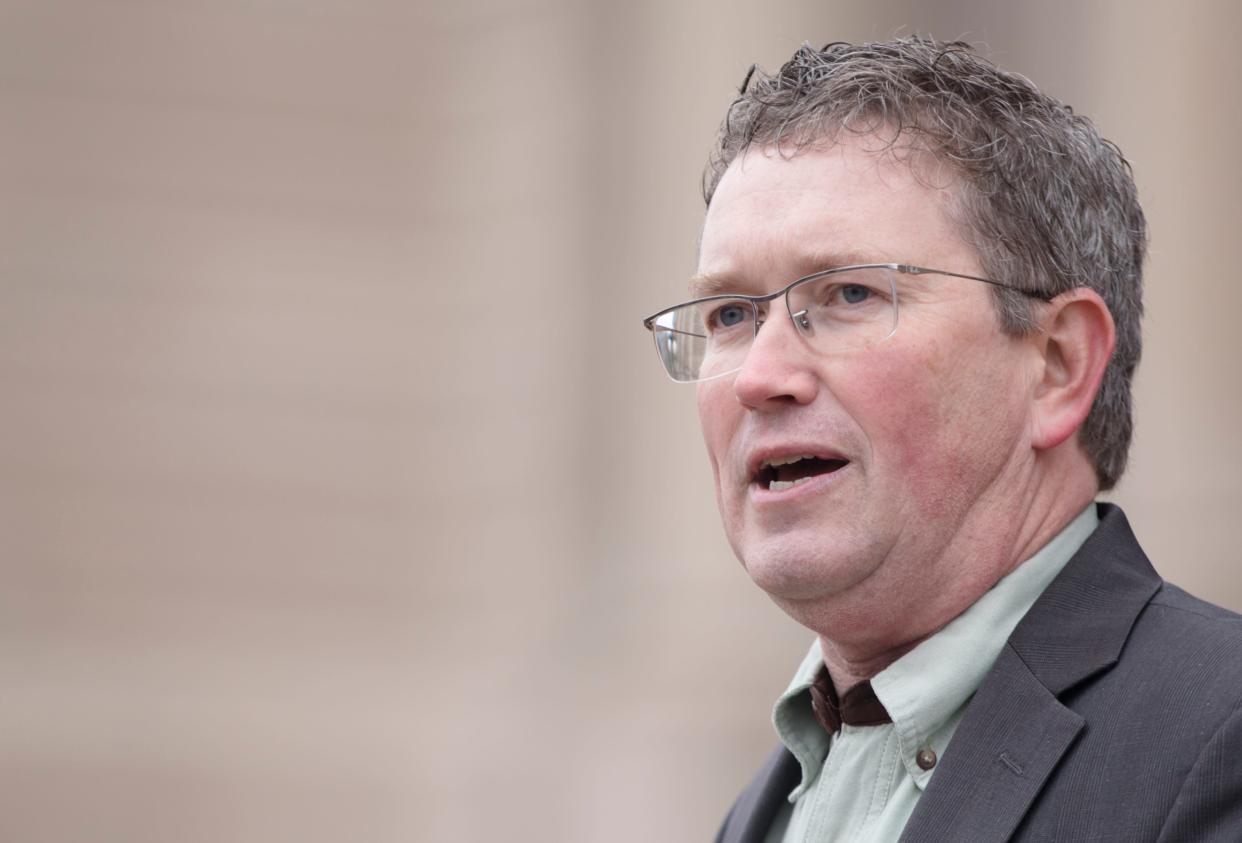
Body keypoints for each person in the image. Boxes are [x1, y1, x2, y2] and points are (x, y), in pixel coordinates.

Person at [641, 38, 1242, 842]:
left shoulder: (1219, 736)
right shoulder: (761, 810)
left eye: (850, 293)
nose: (759, 375)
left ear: (1058, 364)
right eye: (730, 315)